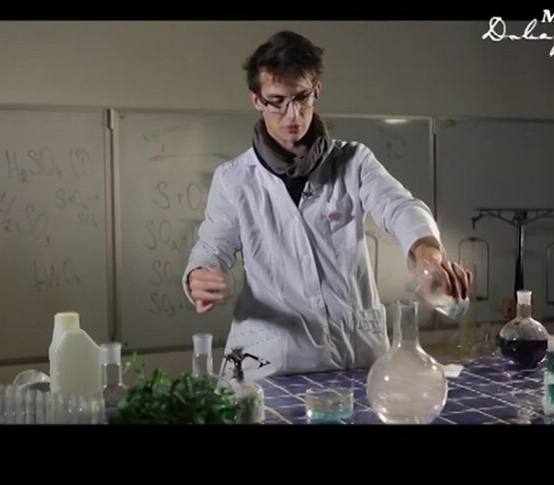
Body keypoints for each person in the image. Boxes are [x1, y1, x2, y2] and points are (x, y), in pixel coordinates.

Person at [183, 31, 471, 379]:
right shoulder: (234, 178)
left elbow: (399, 207)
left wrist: (428, 255)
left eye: (301, 97)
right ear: (256, 100)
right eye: (277, 101)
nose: (292, 114)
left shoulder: (354, 161)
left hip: (355, 357)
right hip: (271, 365)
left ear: (316, 90)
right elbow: (212, 248)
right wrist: (200, 274)